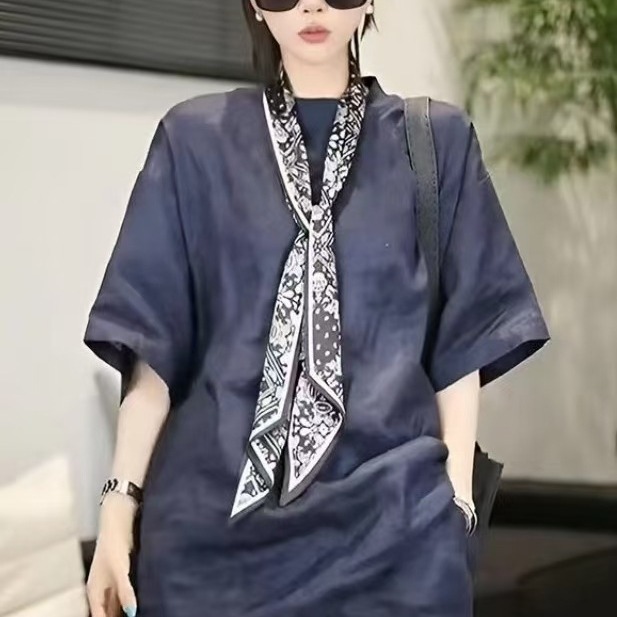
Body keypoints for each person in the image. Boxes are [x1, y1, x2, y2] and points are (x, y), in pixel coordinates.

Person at [83, 1, 550, 616]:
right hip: (210, 539)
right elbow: (153, 346)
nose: (311, 4)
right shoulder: (193, 140)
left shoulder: (436, 142)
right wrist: (118, 505)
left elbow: (460, 341)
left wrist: (456, 506)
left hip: (395, 533)